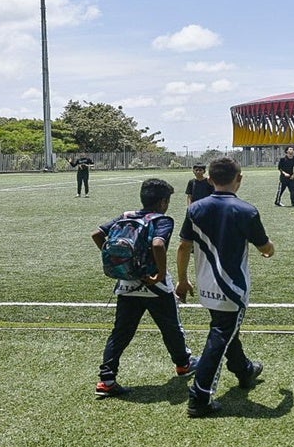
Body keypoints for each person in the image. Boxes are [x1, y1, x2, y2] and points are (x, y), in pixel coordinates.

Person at [176, 157, 275, 418]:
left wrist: (182, 279)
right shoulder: (246, 211)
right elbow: (265, 248)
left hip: (205, 286)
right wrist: (270, 249)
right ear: (239, 179)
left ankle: (244, 370)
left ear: (209, 179)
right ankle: (199, 398)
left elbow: (184, 245)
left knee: (225, 329)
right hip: (232, 289)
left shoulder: (194, 209)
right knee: (220, 336)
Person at [91, 178, 196, 398]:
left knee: (120, 333)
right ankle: (183, 364)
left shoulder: (126, 216)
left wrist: (120, 264)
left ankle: (107, 380)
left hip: (127, 284)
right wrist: (158, 275)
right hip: (154, 286)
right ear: (162, 202)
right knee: (170, 328)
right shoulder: (162, 220)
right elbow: (158, 244)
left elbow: (97, 234)